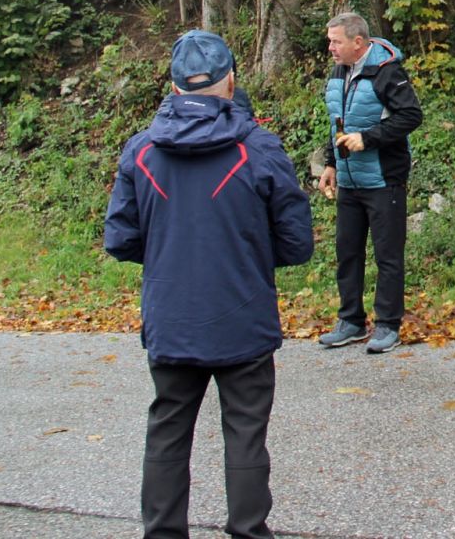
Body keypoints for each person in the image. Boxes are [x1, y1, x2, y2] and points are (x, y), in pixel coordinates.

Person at [105, 29, 314, 539]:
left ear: (174, 87)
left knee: (168, 430)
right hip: (242, 311)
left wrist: (172, 253)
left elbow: (121, 239)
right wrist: (245, 256)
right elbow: (296, 242)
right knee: (245, 432)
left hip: (172, 315)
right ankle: (248, 531)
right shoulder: (259, 148)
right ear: (231, 82)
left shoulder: (141, 151)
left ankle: (163, 532)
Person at [317, 13, 424, 354]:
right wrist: (331, 163)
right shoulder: (339, 71)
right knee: (347, 252)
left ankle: (388, 325)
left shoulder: (387, 72)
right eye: (330, 41)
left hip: (383, 179)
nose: (331, 48)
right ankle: (350, 321)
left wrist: (368, 138)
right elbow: (338, 122)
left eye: (336, 41)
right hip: (349, 181)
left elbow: (411, 115)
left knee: (387, 256)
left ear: (358, 42)